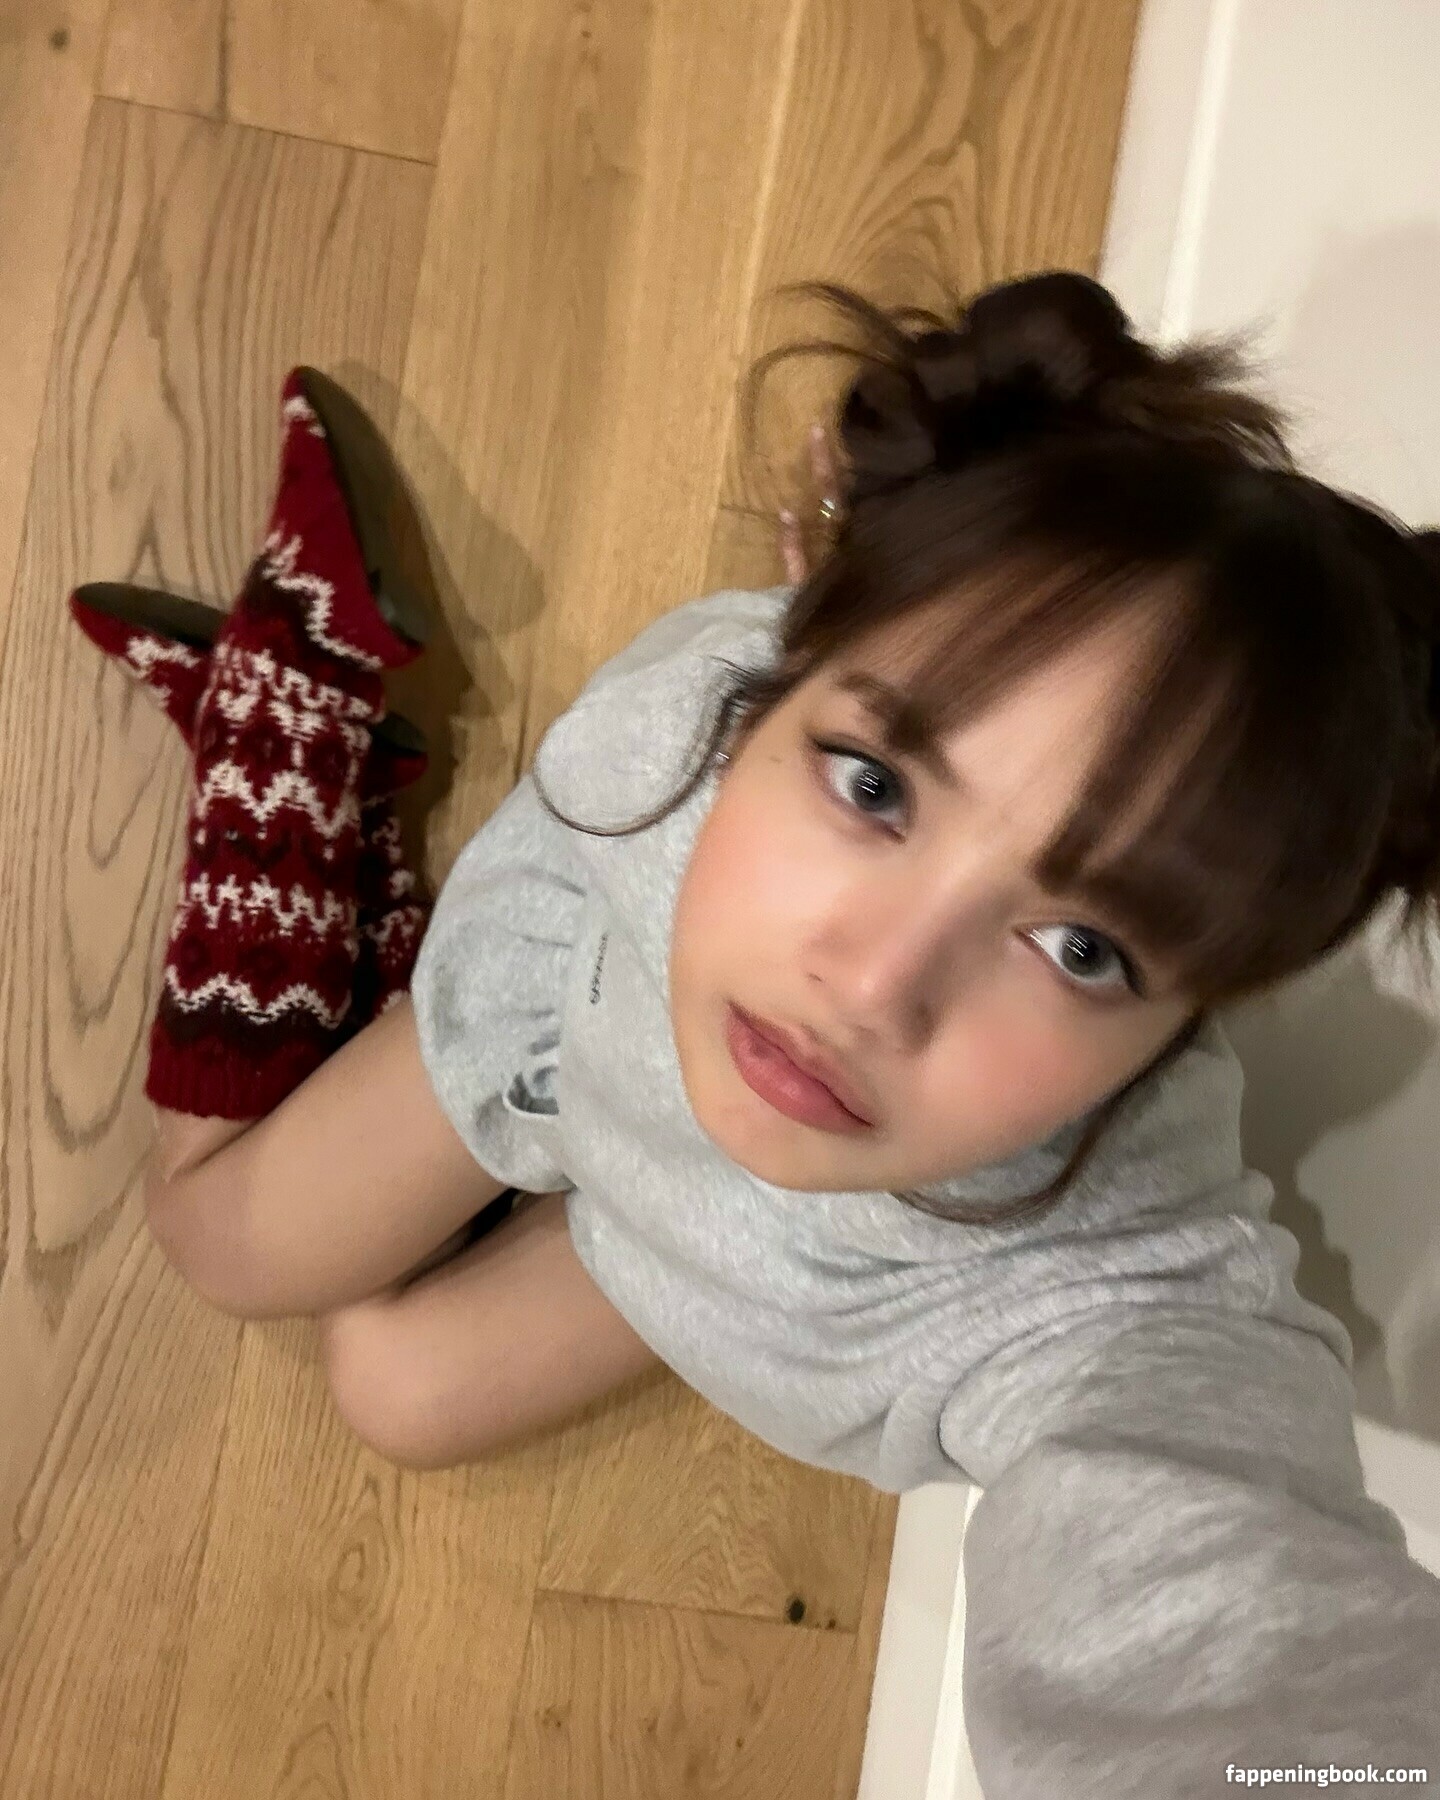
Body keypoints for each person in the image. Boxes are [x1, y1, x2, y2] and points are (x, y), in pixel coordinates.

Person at [70, 271, 1440, 1796]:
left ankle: (357, 839)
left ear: (1200, 1013)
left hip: (673, 1261)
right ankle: (292, 712)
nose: (872, 985)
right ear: (792, 655)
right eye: (875, 787)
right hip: (574, 1050)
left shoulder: (1120, 1295)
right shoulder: (681, 723)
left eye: (1083, 948)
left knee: (394, 1389)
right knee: (221, 1246)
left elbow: (1234, 1633)